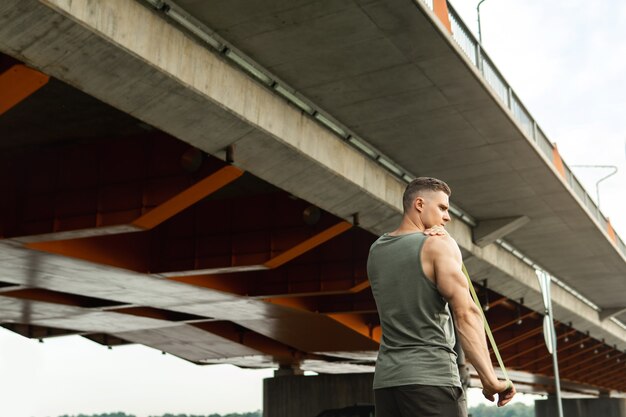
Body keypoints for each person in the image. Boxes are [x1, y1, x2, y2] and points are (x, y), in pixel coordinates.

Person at [367, 177, 515, 417]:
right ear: (419, 204)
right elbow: (466, 313)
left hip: (386, 384)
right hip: (432, 380)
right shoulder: (438, 247)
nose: (447, 217)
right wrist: (490, 380)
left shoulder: (377, 249)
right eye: (442, 208)